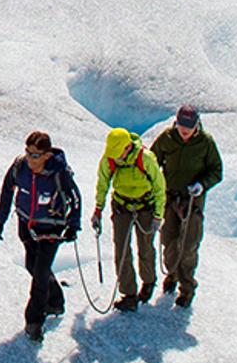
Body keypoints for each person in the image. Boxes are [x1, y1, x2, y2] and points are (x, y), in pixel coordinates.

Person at [0, 130, 82, 342]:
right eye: (28, 152)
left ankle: (34, 321)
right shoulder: (19, 168)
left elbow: (75, 198)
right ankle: (56, 299)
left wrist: (73, 225)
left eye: (35, 155)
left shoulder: (59, 173)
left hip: (51, 227)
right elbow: (6, 193)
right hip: (26, 224)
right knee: (32, 266)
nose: (30, 159)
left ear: (47, 155)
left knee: (40, 272)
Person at [152, 104, 223, 307]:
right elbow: (152, 161)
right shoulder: (167, 138)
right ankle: (171, 274)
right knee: (169, 239)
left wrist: (202, 185)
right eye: (182, 125)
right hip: (169, 197)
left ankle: (187, 288)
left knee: (189, 244)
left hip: (193, 200)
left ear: (196, 126)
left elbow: (216, 170)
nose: (184, 130)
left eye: (189, 127)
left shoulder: (205, 143)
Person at [91, 126, 166, 311]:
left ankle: (148, 282)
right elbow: (102, 183)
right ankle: (129, 294)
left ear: (127, 147)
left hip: (145, 207)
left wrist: (158, 215)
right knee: (122, 250)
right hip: (122, 207)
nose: (116, 157)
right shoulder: (109, 159)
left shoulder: (145, 158)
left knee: (145, 248)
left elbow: (159, 187)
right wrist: (98, 209)